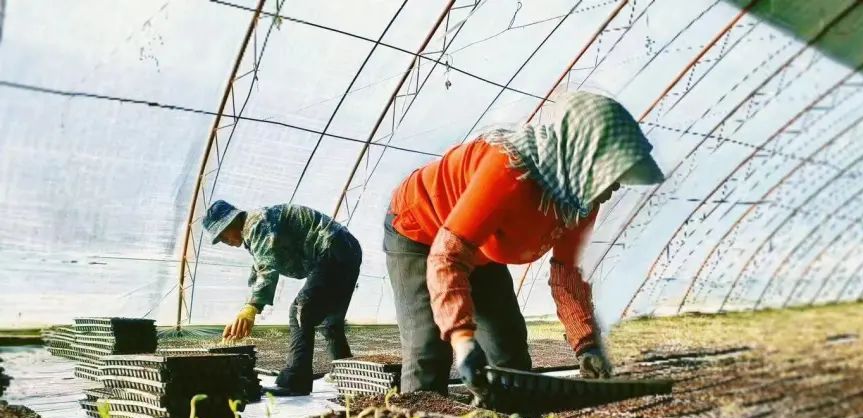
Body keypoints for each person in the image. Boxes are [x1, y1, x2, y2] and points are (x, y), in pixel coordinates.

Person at [383, 91, 664, 395]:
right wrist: (462, 339)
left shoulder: (578, 201)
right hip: (420, 233)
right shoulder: (508, 169)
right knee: (430, 351)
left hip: (478, 250)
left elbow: (567, 274)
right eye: (613, 175)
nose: (617, 186)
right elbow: (447, 257)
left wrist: (587, 346)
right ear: (584, 159)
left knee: (508, 347)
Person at [202, 201, 363, 395]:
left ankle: (295, 381)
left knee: (300, 310)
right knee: (329, 321)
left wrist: (252, 307)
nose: (224, 240)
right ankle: (346, 372)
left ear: (231, 221)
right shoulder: (256, 230)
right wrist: (248, 307)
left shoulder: (257, 224)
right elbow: (260, 268)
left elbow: (267, 268)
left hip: (332, 248)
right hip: (346, 249)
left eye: (222, 234)